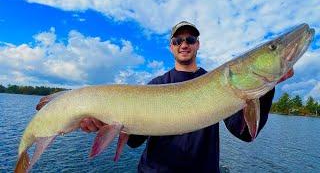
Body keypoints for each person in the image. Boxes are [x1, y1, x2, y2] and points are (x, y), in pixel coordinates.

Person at [36, 21, 293, 173]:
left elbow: (245, 133)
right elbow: (136, 140)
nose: (184, 43)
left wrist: (267, 87)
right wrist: (102, 122)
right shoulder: (156, 85)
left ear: (197, 44)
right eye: (178, 39)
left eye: (190, 39)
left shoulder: (225, 85)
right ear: (171, 46)